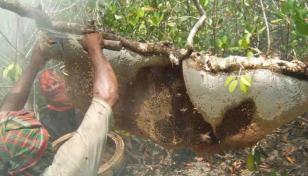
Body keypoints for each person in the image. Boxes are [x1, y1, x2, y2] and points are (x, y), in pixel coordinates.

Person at [0, 33, 119, 176]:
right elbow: (107, 95)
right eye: (43, 141)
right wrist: (95, 49)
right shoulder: (64, 171)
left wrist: (34, 64)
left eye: (55, 83)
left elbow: (8, 108)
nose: (51, 88)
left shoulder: (6, 147)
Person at [39, 68, 83, 142]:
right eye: (48, 87)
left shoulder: (82, 105)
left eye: (55, 83)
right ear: (43, 92)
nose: (53, 88)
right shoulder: (46, 121)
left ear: (63, 82)